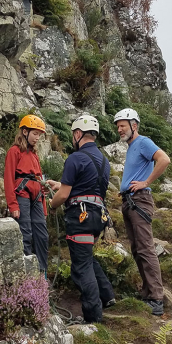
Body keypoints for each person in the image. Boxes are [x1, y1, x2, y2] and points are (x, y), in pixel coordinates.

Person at [47, 114, 115, 323]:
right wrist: (60, 185)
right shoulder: (104, 161)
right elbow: (88, 186)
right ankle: (107, 295)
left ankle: (93, 317)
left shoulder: (75, 158)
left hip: (80, 218)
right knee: (87, 257)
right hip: (97, 217)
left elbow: (64, 196)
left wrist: (51, 205)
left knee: (81, 266)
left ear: (77, 134)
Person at [114, 108, 170, 316]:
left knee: (145, 248)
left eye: (123, 125)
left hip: (139, 200)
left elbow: (164, 159)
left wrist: (146, 182)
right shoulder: (131, 147)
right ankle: (148, 293)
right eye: (118, 126)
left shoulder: (143, 142)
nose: (120, 129)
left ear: (134, 125)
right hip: (130, 201)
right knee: (138, 249)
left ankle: (156, 298)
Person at [4, 115, 49, 274]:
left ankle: (42, 272)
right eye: (35, 134)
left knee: (42, 235)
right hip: (21, 195)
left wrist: (44, 208)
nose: (37, 138)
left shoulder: (35, 155)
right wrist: (12, 204)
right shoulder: (14, 152)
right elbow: (9, 179)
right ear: (25, 131)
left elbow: (41, 182)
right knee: (26, 233)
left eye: (40, 135)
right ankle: (27, 275)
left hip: (37, 197)